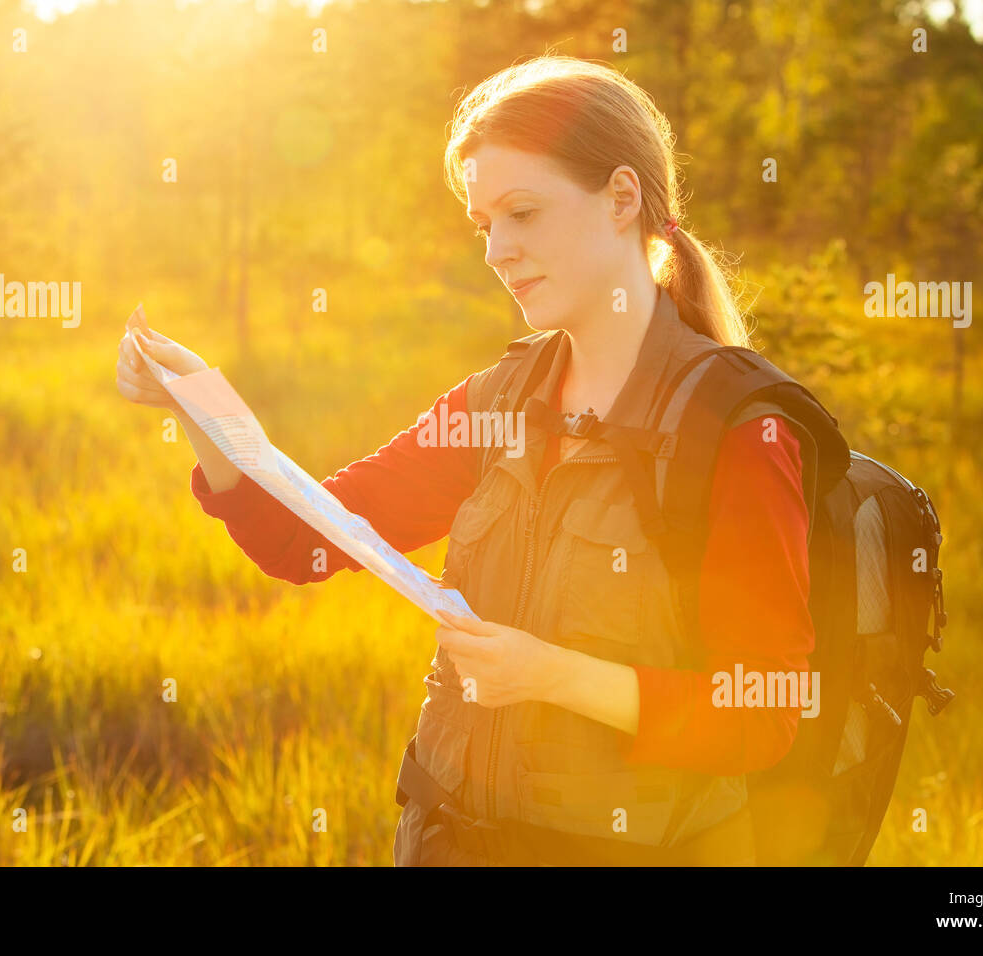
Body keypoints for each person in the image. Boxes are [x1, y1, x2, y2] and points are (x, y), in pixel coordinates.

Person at [116, 54, 814, 866]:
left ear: (622, 198)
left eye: (523, 213)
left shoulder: (734, 430)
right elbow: (301, 540)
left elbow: (763, 711)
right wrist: (197, 406)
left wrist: (551, 674)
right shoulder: (494, 405)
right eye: (486, 226)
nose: (498, 252)